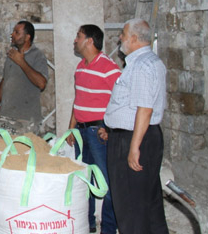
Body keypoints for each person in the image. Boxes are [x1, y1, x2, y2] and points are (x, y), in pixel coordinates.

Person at [101, 19, 169, 233]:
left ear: (133, 38)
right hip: (141, 135)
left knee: (130, 206)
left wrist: (134, 147)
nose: (120, 38)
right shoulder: (150, 62)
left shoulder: (141, 66)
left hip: (133, 138)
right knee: (148, 202)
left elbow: (145, 109)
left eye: (123, 34)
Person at [67, 25, 121, 234]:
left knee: (107, 182)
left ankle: (108, 228)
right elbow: (78, 100)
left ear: (90, 41)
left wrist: (109, 128)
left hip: (99, 134)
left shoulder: (109, 68)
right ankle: (87, 223)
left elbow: (121, 101)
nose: (75, 40)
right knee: (84, 179)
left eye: (78, 36)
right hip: (81, 133)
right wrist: (71, 128)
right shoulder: (80, 66)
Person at [0, 20, 48, 133]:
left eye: (17, 32)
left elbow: (41, 84)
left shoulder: (37, 56)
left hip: (26, 119)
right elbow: (5, 81)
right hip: (6, 116)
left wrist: (21, 62)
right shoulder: (12, 55)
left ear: (27, 37)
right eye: (13, 32)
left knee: (21, 145)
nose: (12, 34)